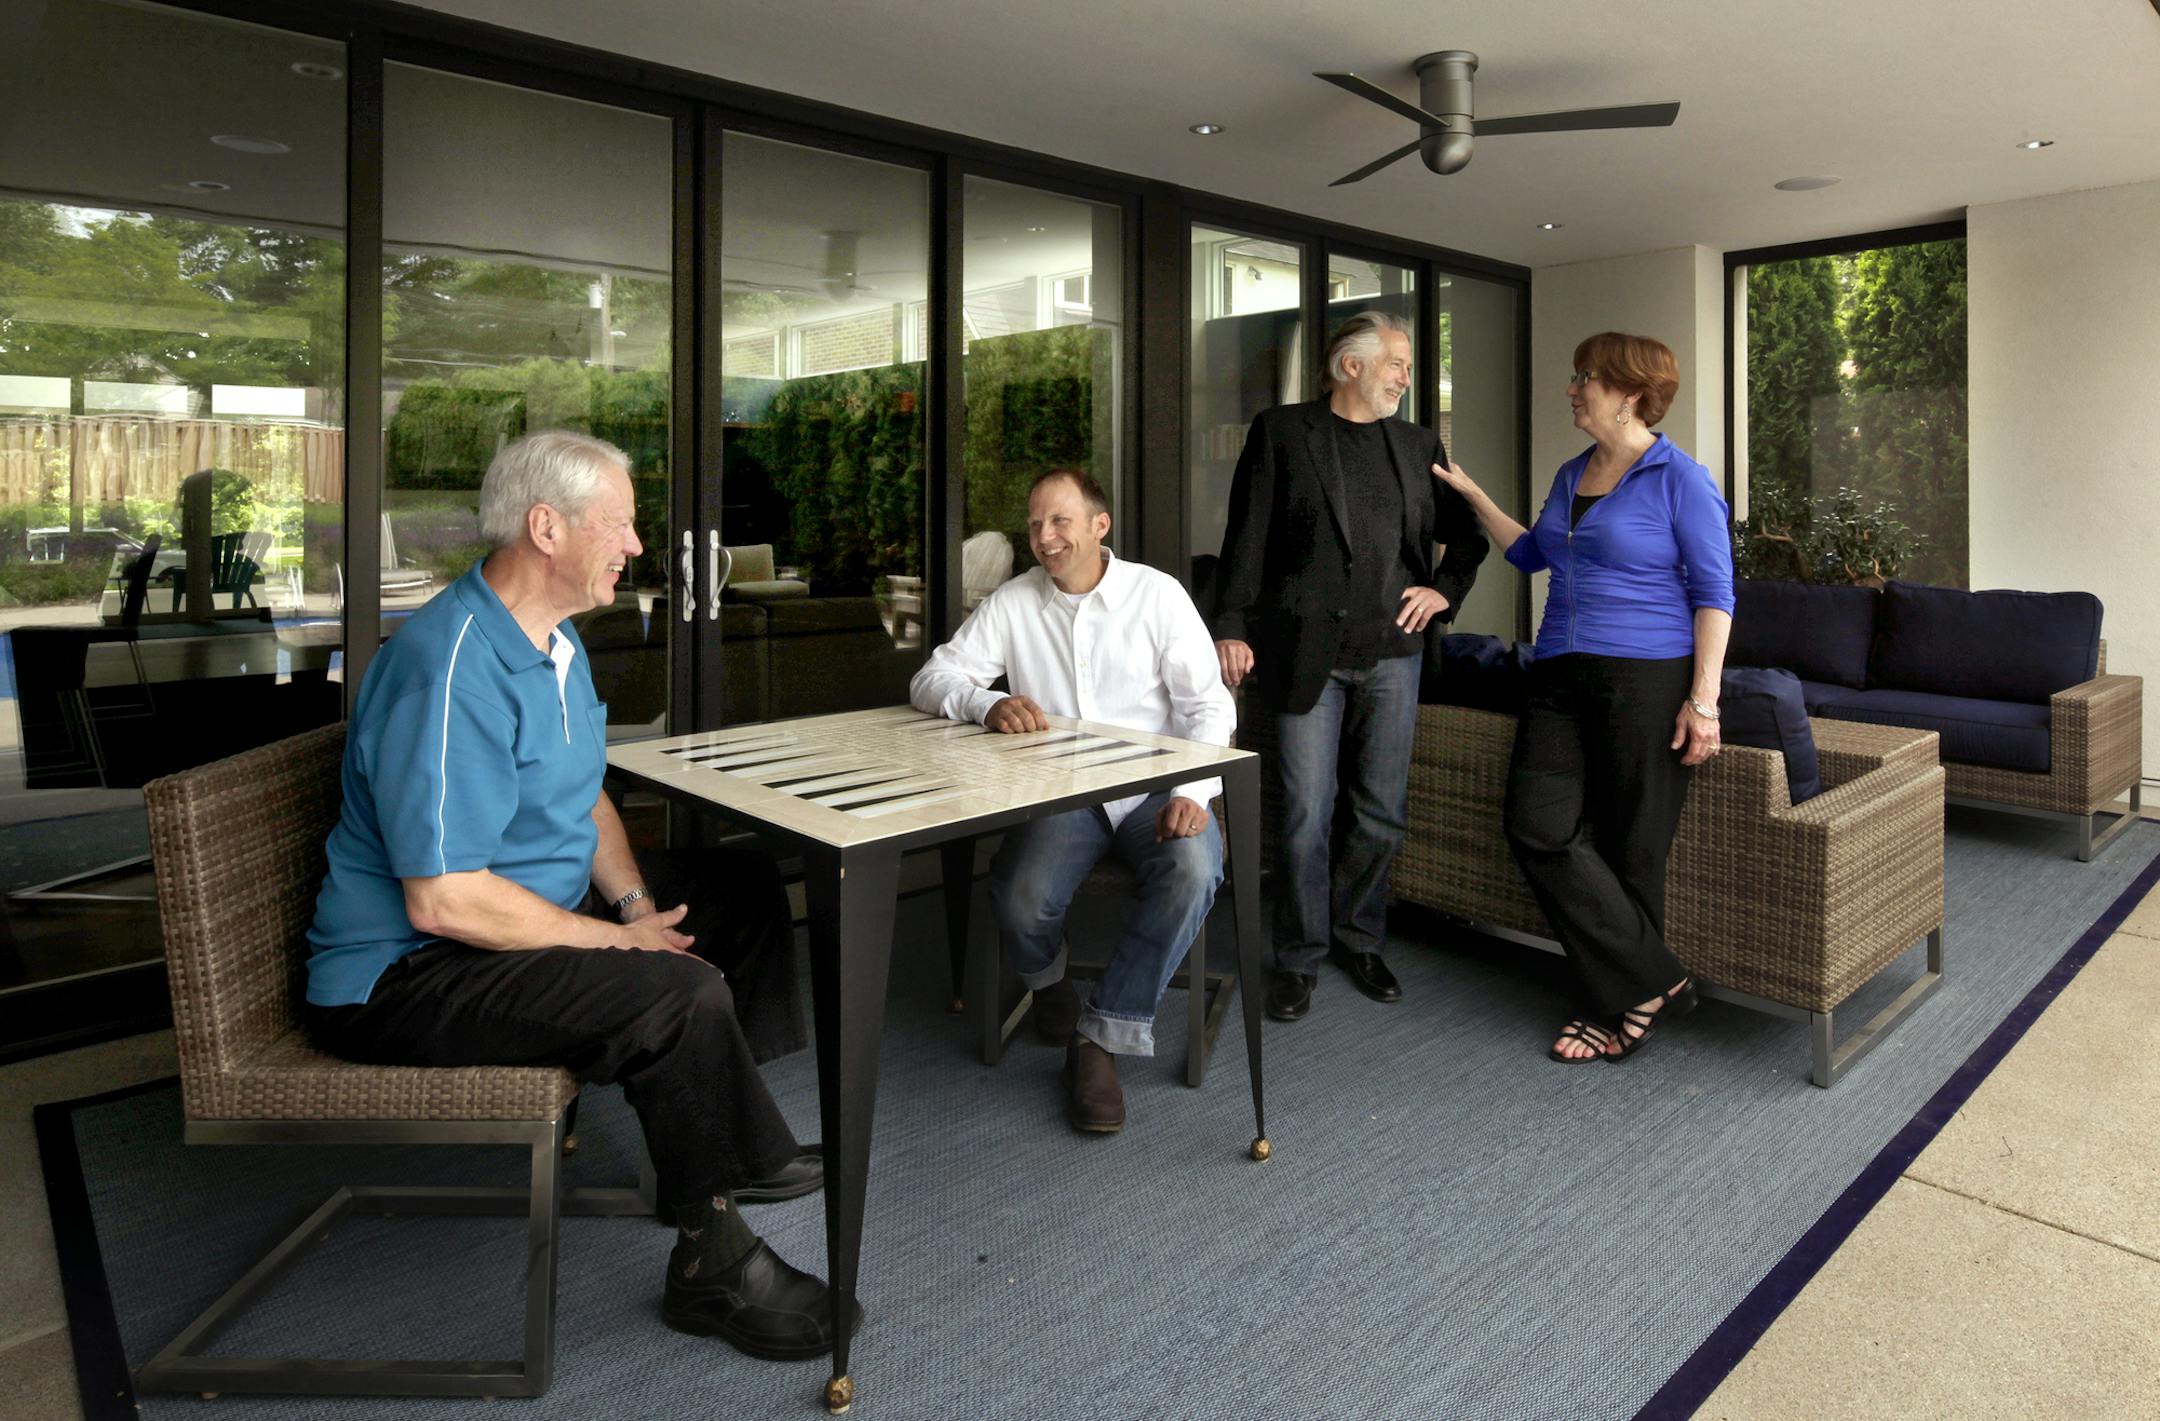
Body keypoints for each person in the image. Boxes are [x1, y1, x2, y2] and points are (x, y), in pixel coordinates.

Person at [302, 430, 855, 1361]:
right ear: (547, 527)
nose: (637, 547)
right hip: (405, 972)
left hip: (513, 915)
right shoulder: (449, 668)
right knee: (671, 994)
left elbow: (583, 791)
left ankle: (717, 1139)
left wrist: (635, 908)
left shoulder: (553, 643)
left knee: (746, 889)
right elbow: (442, 901)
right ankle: (712, 1259)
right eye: (624, 524)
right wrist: (617, 949)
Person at [1430, 331, 1733, 1062]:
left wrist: (1704, 699)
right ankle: (1657, 980)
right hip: (1559, 671)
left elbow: (1715, 593)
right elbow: (1533, 552)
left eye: (1585, 377)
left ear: (1629, 392)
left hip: (1647, 676)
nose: (1572, 387)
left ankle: (1616, 1007)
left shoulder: (1678, 478)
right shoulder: (1572, 473)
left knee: (1633, 847)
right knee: (1536, 824)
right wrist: (1473, 498)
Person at [911, 469, 1233, 1133]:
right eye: (1033, 525)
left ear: (1098, 525)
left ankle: (1100, 1036)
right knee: (1021, 896)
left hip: (1157, 790)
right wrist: (987, 700)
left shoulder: (1157, 596)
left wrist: (1193, 791)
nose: (1044, 537)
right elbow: (932, 676)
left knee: (1196, 869)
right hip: (1065, 793)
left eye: (1059, 522)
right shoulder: (1014, 601)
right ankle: (1050, 983)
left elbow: (1209, 705)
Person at [1210, 311, 1487, 1023]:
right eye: (1396, 362)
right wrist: (1232, 624)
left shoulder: (1419, 443)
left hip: (1394, 654)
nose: (1405, 376)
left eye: (1407, 366)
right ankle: (1298, 955)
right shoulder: (1282, 432)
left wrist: (1443, 592)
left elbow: (1468, 538)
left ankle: (1358, 936)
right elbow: (1247, 537)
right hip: (1306, 654)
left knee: (1380, 811)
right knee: (1305, 813)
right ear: (1351, 366)